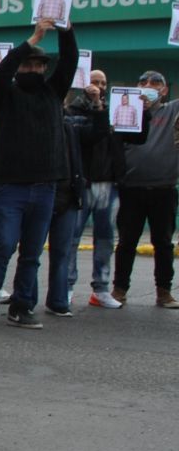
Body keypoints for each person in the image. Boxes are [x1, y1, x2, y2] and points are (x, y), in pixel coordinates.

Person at [0, 21, 77, 331]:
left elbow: (70, 61)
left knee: (32, 253)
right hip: (10, 186)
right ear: (19, 67)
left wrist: (66, 30)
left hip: (45, 186)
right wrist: (32, 39)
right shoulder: (6, 95)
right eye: (28, 64)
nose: (33, 69)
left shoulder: (52, 92)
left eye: (38, 65)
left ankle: (21, 306)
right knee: (3, 247)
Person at [111, 71, 179, 308]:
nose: (149, 86)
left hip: (164, 189)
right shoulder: (125, 112)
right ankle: (119, 289)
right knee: (127, 242)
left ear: (164, 90)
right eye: (143, 82)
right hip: (131, 188)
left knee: (163, 243)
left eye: (155, 83)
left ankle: (164, 292)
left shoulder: (172, 111)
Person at [46, 87, 108, 316]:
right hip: (42, 192)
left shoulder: (70, 124)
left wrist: (98, 104)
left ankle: (59, 301)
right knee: (30, 253)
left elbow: (98, 132)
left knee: (62, 251)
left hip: (68, 195)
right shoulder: (34, 123)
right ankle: (24, 300)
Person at [68, 70, 122, 309]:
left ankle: (100, 289)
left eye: (103, 83)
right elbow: (88, 138)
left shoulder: (116, 112)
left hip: (107, 183)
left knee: (105, 239)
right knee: (71, 238)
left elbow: (134, 139)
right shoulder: (73, 111)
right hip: (83, 183)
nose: (99, 87)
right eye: (94, 82)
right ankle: (66, 287)